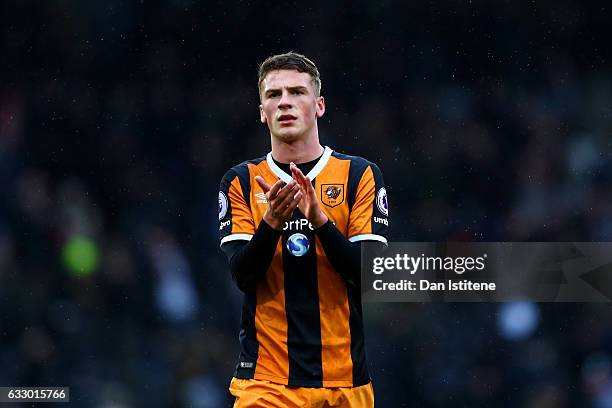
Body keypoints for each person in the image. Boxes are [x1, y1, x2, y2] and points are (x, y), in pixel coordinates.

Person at [219, 51, 389, 407]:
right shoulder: (242, 181)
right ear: (262, 113)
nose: (285, 103)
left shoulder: (359, 175)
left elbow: (369, 274)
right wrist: (272, 224)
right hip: (267, 383)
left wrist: (321, 222)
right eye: (273, 95)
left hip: (345, 381)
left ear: (319, 105)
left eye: (297, 92)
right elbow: (243, 276)